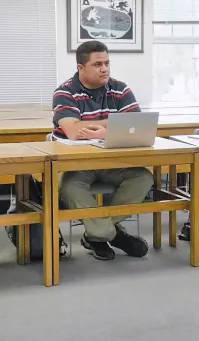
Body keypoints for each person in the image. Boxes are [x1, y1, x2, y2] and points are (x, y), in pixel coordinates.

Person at [52, 40, 153, 261]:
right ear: (81, 68)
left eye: (107, 63)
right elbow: (74, 131)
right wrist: (115, 123)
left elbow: (137, 124)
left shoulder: (120, 88)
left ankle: (96, 234)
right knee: (70, 188)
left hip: (112, 163)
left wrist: (101, 132)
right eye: (98, 64)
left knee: (143, 178)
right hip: (75, 166)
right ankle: (111, 234)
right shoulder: (65, 92)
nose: (105, 68)